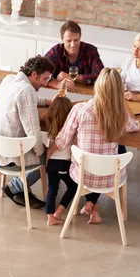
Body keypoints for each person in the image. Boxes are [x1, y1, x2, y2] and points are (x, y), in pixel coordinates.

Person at [51, 68, 140, 224]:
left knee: (87, 156)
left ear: (97, 86)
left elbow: (62, 141)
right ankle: (93, 204)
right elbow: (135, 126)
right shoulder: (120, 114)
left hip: (83, 175)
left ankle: (91, 204)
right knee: (115, 152)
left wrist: (47, 152)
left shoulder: (80, 109)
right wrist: (124, 105)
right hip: (111, 178)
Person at [0, 55, 57, 209]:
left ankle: (22, 191)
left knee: (43, 150)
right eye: (44, 79)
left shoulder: (10, 80)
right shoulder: (27, 90)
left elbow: (25, 98)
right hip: (9, 154)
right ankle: (15, 187)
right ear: (34, 74)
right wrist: (43, 151)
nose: (45, 83)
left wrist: (48, 101)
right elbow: (33, 132)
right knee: (51, 156)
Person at [44, 96, 78, 226]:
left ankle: (50, 216)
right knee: (74, 186)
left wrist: (46, 165)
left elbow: (46, 115)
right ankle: (58, 212)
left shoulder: (49, 124)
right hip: (63, 164)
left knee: (52, 188)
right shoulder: (69, 129)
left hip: (51, 163)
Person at [44, 20, 104, 92]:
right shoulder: (55, 52)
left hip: (85, 93)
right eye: (69, 41)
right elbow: (38, 72)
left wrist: (73, 77)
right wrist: (56, 84)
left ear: (80, 37)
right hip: (60, 93)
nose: (73, 45)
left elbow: (101, 75)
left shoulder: (90, 51)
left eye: (76, 40)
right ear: (62, 39)